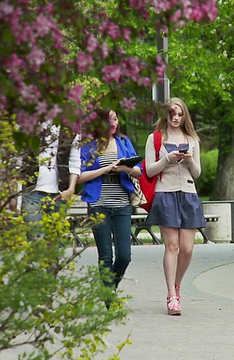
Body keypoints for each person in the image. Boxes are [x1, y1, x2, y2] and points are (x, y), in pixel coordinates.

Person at [144, 97, 205, 316]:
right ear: (166, 115)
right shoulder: (155, 139)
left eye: (180, 114)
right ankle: (171, 295)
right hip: (165, 193)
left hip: (188, 193)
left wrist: (189, 161)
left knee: (187, 248)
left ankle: (177, 285)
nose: (176, 118)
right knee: (172, 246)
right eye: (172, 114)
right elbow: (149, 170)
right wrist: (167, 158)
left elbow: (197, 173)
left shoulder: (192, 139)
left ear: (184, 115)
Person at [78, 108, 141, 304]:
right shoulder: (89, 146)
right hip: (99, 205)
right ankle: (108, 299)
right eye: (109, 120)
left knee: (124, 256)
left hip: (122, 204)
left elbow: (138, 171)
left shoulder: (124, 142)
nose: (113, 123)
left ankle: (108, 289)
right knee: (105, 256)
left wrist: (124, 168)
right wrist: (105, 169)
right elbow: (80, 175)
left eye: (115, 118)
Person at [22, 123, 81, 241]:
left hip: (59, 194)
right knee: (36, 243)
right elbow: (18, 159)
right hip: (32, 192)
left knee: (53, 246)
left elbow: (75, 160)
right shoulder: (30, 121)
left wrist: (71, 189)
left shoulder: (71, 126)